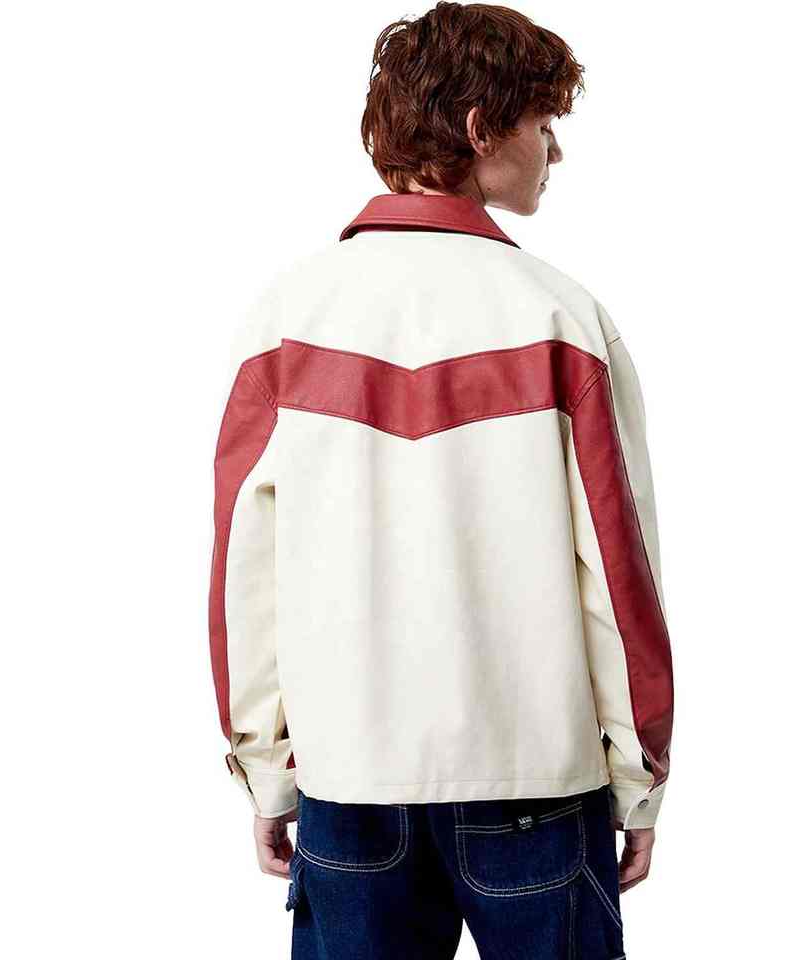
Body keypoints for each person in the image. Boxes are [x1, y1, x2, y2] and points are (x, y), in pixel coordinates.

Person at [206, 3, 674, 957]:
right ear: (480, 128)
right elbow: (620, 581)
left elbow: (242, 580)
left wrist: (266, 771)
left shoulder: (287, 318)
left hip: (348, 786)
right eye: (543, 124)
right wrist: (639, 780)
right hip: (537, 788)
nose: (554, 151)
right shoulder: (561, 318)